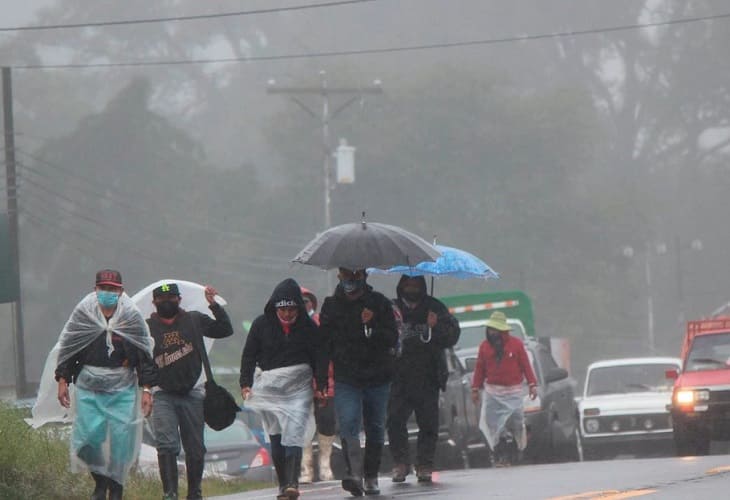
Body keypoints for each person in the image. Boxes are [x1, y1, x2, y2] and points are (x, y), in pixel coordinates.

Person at [55, 269, 156, 500]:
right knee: (87, 440)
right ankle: (100, 480)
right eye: (104, 289)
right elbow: (70, 347)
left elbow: (144, 355)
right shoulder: (84, 314)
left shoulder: (131, 317)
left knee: (122, 441)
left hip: (122, 389)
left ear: (121, 291)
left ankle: (116, 486)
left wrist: (147, 389)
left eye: (112, 289)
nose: (108, 293)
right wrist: (62, 379)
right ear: (96, 290)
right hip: (88, 387)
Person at [146, 282, 234, 500]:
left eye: (172, 298)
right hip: (162, 394)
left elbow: (225, 329)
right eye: (162, 300)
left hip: (192, 392)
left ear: (180, 300)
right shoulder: (146, 326)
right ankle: (170, 493)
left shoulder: (194, 319)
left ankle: (194, 492)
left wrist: (213, 305)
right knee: (166, 445)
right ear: (154, 303)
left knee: (195, 448)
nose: (167, 302)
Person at [240, 278, 325, 500]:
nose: (287, 314)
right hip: (269, 389)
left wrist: (321, 385)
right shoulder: (261, 325)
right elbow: (249, 354)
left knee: (294, 433)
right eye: (283, 309)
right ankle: (282, 482)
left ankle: (292, 483)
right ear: (275, 307)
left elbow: (320, 357)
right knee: (276, 436)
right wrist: (245, 383)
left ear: (298, 306)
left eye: (291, 309)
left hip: (299, 389)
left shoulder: (309, 328)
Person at [319, 268, 398, 496]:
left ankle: (371, 475)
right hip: (346, 378)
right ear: (339, 277)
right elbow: (323, 344)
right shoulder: (330, 306)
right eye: (345, 276)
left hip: (378, 377)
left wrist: (372, 324)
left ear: (363, 276)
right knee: (348, 424)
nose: (350, 281)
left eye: (354, 276)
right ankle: (355, 474)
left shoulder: (379, 303)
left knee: (375, 427)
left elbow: (392, 337)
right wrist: (322, 379)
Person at [387, 275, 460, 483]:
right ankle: (401, 463)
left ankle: (424, 464)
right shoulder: (391, 309)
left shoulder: (435, 307)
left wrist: (436, 326)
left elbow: (452, 336)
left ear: (423, 286)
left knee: (428, 423)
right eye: (408, 284)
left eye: (416, 284)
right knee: (394, 421)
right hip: (398, 376)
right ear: (401, 286)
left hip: (428, 376)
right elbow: (378, 336)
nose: (412, 288)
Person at [470, 311, 537, 466]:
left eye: (495, 330)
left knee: (515, 423)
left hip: (513, 393)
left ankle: (515, 451)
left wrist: (532, 384)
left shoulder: (516, 345)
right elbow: (480, 369)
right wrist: (475, 389)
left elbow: (526, 365)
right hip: (493, 393)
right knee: (494, 426)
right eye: (490, 329)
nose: (492, 333)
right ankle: (501, 455)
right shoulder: (485, 347)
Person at [299, 287, 336, 484]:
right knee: (304, 425)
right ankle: (306, 468)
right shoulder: (290, 328)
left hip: (326, 382)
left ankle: (325, 464)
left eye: (306, 300)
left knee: (327, 423)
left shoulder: (322, 323)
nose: (303, 304)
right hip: (300, 385)